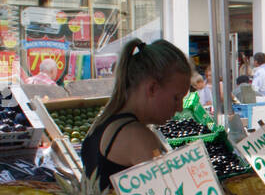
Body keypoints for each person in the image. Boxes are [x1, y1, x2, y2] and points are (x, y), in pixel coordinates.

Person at [81, 38, 190, 186]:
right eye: (176, 98)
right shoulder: (138, 137)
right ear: (152, 88)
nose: (180, 108)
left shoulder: (100, 125)